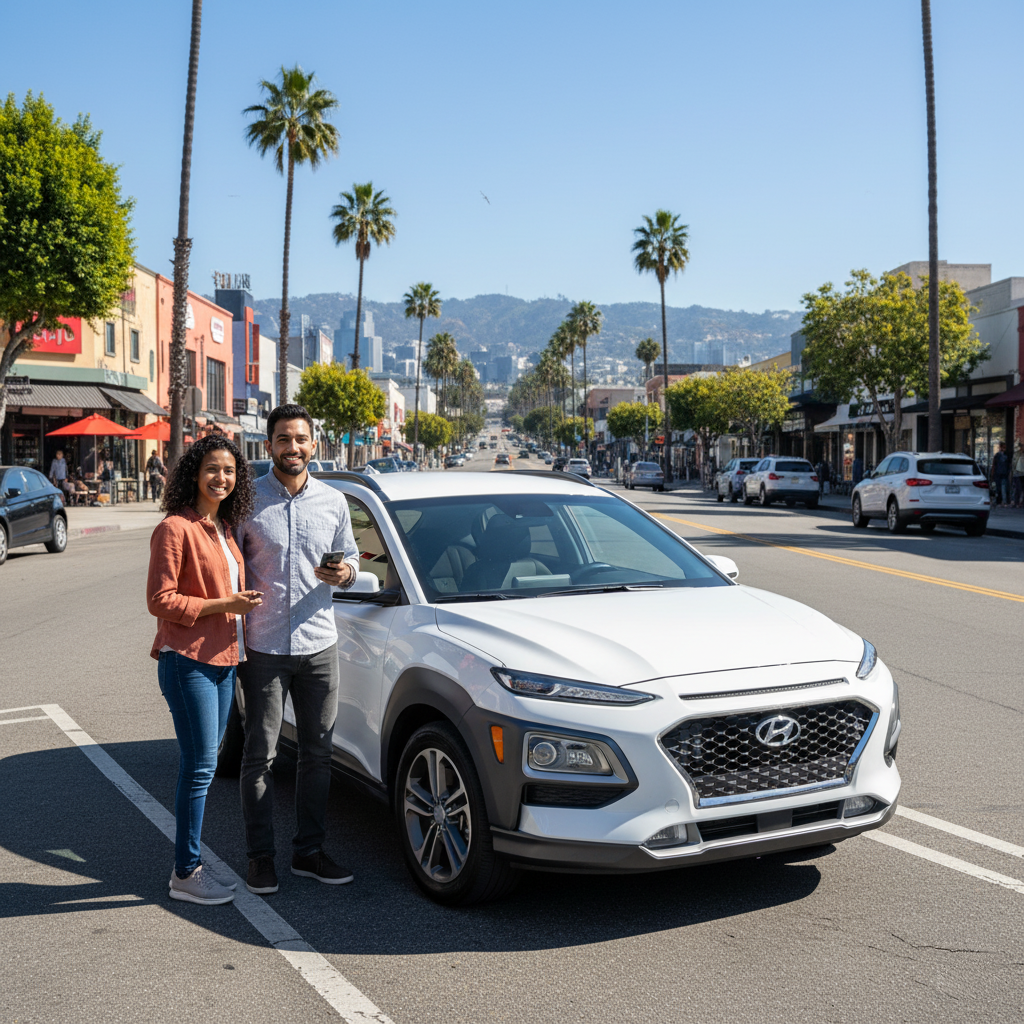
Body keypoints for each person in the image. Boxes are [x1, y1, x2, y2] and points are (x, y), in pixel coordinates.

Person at [237, 404, 359, 897]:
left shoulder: (334, 501)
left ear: (314, 445)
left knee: (318, 754)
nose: (293, 448)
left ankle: (309, 852)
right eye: (283, 439)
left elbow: (350, 555)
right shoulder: (246, 501)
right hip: (263, 644)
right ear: (269, 446)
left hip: (318, 645)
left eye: (301, 439)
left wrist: (345, 573)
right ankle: (260, 858)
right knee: (260, 756)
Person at [147, 434, 260, 905]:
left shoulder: (225, 528)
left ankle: (190, 863)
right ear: (193, 473)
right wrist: (224, 605)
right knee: (199, 767)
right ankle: (186, 872)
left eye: (230, 471)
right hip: (187, 660)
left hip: (225, 661)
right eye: (213, 468)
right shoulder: (175, 528)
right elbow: (160, 600)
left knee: (205, 763)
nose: (222, 477)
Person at [990, 442, 1009, 506]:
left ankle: (997, 501)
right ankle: (1003, 501)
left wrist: (992, 474)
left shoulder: (997, 455)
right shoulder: (1006, 456)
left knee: (997, 488)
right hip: (1003, 474)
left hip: (998, 474)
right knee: (1002, 488)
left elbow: (994, 465)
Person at [1012, 443, 1024, 509]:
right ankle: (1016, 502)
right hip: (1017, 473)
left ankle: (1020, 502)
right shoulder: (1017, 454)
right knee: (1018, 489)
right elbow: (1013, 463)